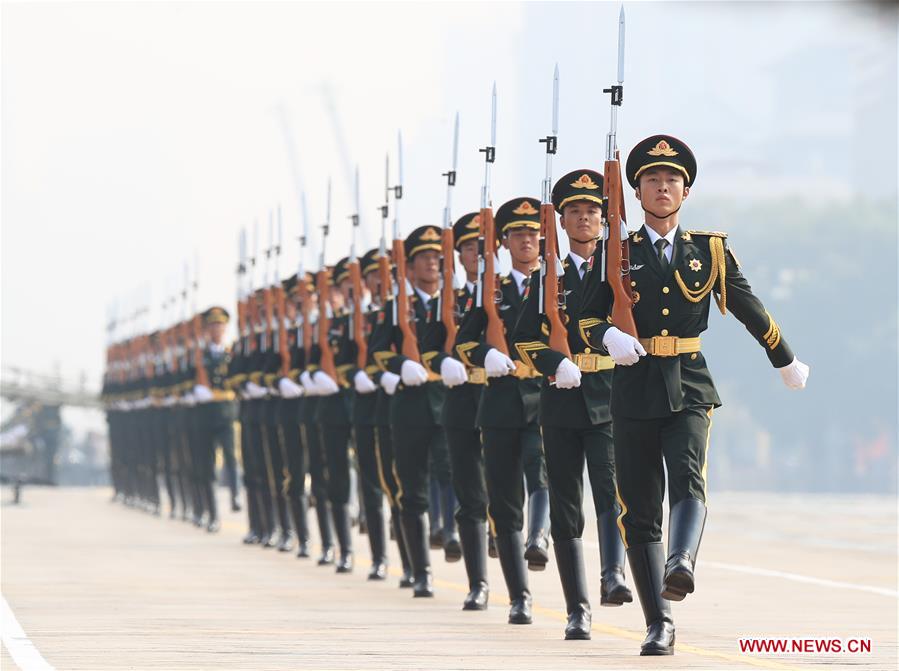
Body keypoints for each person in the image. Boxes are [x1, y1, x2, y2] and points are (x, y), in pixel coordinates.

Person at [579, 135, 809, 655]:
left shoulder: (709, 250)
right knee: (637, 507)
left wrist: (784, 358)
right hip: (633, 387)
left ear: (686, 191)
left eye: (672, 181)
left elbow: (749, 306)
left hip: (688, 382)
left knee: (688, 478)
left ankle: (681, 560)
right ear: (636, 192)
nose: (663, 188)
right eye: (652, 181)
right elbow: (585, 316)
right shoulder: (615, 253)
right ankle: (658, 622)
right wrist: (605, 336)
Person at [513, 171, 633, 641]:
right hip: (561, 399)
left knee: (610, 492)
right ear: (561, 222)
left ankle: (613, 575)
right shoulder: (549, 276)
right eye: (575, 212)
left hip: (607, 396)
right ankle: (576, 608)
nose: (584, 219)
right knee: (565, 506)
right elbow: (525, 337)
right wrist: (552, 363)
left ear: (604, 220)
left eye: (592, 211)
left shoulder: (618, 272)